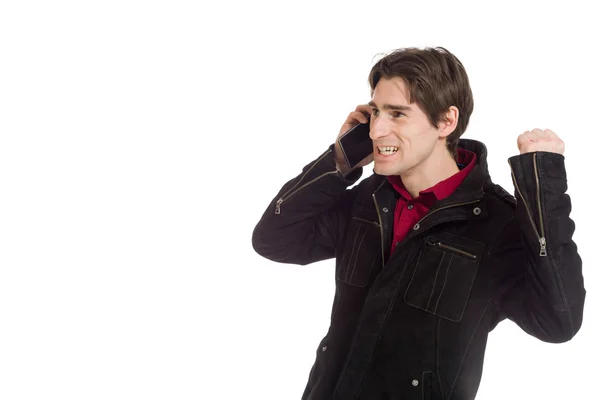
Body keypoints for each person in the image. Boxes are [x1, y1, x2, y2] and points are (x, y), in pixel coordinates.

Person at [251, 47, 586, 400]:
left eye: (397, 114)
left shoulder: (495, 224)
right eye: (376, 112)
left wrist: (543, 189)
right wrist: (339, 160)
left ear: (446, 121)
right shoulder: (370, 199)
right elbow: (274, 239)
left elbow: (557, 322)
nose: (377, 130)